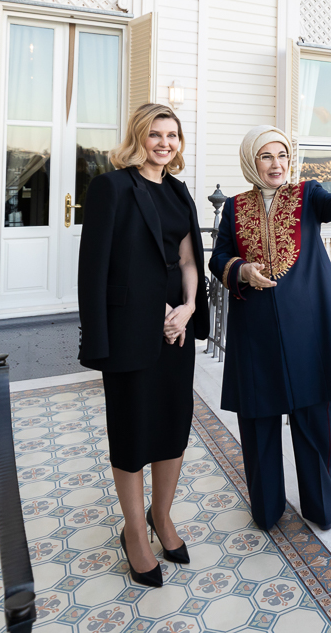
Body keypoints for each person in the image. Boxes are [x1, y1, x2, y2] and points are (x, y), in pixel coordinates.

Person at [77, 102, 210, 587]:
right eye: (155, 134)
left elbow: (188, 260)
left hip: (177, 330)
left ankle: (162, 516)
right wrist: (145, 317)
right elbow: (94, 268)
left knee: (173, 425)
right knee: (132, 432)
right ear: (138, 137)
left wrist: (188, 308)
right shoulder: (111, 187)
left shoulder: (178, 191)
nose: (164, 143)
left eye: (172, 135)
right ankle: (134, 532)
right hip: (129, 330)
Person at [209, 125, 331, 532]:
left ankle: (321, 507)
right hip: (254, 332)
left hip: (307, 331)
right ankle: (267, 508)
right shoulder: (234, 207)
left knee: (312, 422)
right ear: (252, 162)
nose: (276, 164)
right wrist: (242, 270)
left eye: (282, 155)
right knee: (258, 423)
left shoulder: (307, 195)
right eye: (266, 156)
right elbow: (219, 257)